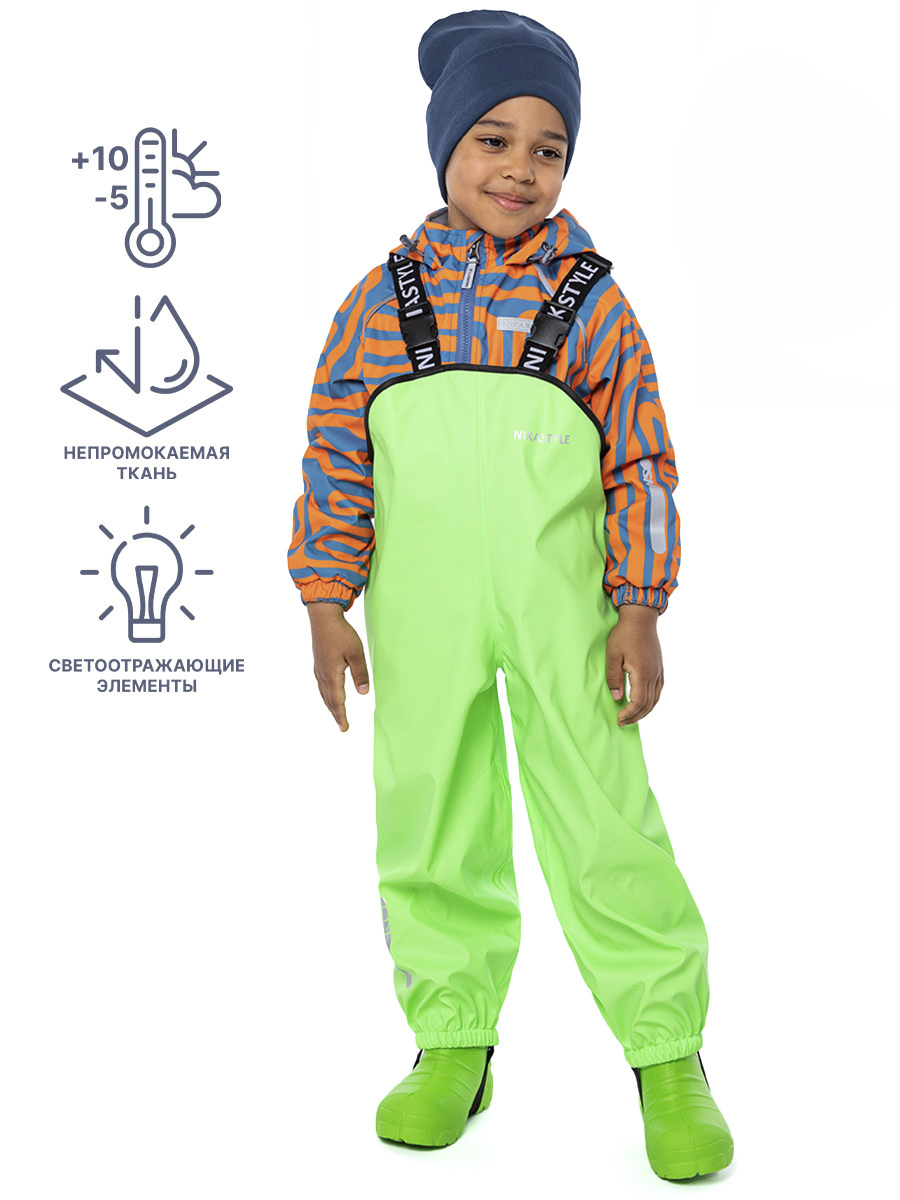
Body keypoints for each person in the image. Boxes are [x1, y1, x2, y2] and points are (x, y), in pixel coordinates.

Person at [287, 9, 734, 1180]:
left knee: (604, 816)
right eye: (493, 140)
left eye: (549, 149)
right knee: (430, 812)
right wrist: (326, 598)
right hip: (419, 614)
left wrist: (639, 605)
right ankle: (453, 1041)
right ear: (446, 145)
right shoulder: (379, 302)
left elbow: (641, 461)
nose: (520, 169)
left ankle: (667, 1053)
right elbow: (336, 452)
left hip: (565, 616)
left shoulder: (592, 303)